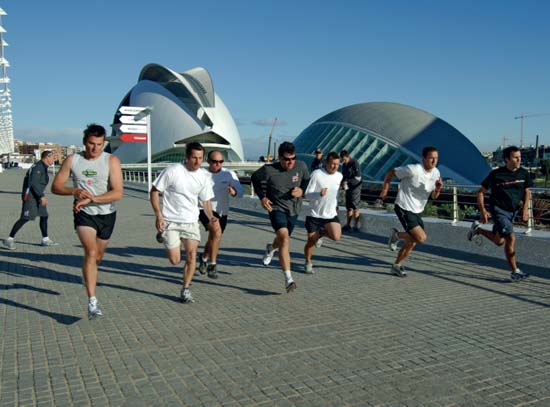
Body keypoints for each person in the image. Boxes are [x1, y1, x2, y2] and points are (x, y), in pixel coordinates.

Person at [51, 124, 123, 318]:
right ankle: (92, 302)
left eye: (99, 144)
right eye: (91, 144)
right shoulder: (73, 160)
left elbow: (118, 192)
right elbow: (56, 186)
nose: (95, 148)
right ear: (85, 143)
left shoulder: (112, 161)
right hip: (83, 214)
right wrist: (74, 191)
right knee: (90, 252)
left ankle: (89, 273)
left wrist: (93, 198)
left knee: (97, 257)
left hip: (107, 214)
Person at [150, 142, 218, 303]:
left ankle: (185, 289)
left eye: (200, 158)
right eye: (194, 157)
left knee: (191, 255)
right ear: (187, 157)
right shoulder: (172, 171)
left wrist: (210, 217)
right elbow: (154, 191)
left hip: (191, 222)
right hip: (170, 221)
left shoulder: (203, 176)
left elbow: (206, 201)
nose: (197, 161)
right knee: (175, 260)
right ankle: (163, 234)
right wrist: (158, 215)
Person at [251, 141, 309, 293]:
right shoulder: (269, 169)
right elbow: (255, 179)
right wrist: (262, 197)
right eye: (286, 159)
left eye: (292, 158)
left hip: (294, 210)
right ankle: (289, 279)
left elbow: (306, 180)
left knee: (282, 239)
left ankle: (271, 248)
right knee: (284, 238)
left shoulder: (301, 166)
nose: (290, 162)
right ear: (280, 158)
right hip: (276, 208)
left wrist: (301, 191)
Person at [467, 146, 532, 281]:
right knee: (511, 238)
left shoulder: (524, 173)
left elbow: (527, 192)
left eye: (520, 157)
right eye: (516, 157)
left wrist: (525, 209)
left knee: (499, 241)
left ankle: (478, 230)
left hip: (512, 212)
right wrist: (483, 210)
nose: (519, 159)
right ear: (507, 159)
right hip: (499, 211)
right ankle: (515, 271)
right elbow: (480, 192)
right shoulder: (496, 174)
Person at [380, 146, 443, 277]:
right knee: (421, 238)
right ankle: (397, 236)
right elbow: (391, 173)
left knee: (412, 241)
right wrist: (385, 190)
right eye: (431, 158)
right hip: (404, 207)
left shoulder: (436, 173)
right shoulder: (413, 169)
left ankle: (396, 265)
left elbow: (433, 197)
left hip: (417, 210)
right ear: (424, 158)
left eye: (436, 158)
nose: (434, 161)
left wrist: (437, 189)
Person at [198, 150, 243, 279]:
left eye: (220, 162)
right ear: (208, 162)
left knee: (214, 237)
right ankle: (212, 265)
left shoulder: (228, 174)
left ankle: (204, 257)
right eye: (214, 161)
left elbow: (240, 191)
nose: (218, 164)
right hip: (204, 209)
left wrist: (234, 192)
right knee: (216, 233)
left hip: (222, 211)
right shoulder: (201, 174)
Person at [1, 150, 58, 250]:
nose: (54, 159)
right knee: (25, 218)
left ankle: (45, 239)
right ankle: (9, 239)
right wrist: (41, 196)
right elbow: (34, 183)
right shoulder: (38, 167)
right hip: (31, 197)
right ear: (47, 157)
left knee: (44, 216)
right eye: (53, 157)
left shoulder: (43, 167)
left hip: (38, 196)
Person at [303, 151, 342, 274]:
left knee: (336, 236)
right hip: (314, 214)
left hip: (330, 214)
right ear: (326, 163)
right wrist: (318, 194)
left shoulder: (339, 176)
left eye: (337, 164)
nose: (335, 167)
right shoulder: (317, 174)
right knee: (311, 242)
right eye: (332, 164)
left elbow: (336, 193)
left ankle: (321, 233)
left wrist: (336, 205)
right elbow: (307, 194)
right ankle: (308, 262)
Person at [339, 150, 363, 232]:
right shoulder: (344, 165)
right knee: (349, 207)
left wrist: (348, 181)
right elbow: (343, 175)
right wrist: (342, 182)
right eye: (342, 160)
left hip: (355, 188)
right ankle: (348, 225)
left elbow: (358, 177)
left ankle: (356, 226)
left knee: (355, 207)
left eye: (344, 159)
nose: (343, 161)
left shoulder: (354, 163)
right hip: (348, 188)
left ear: (348, 157)